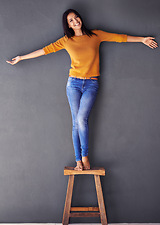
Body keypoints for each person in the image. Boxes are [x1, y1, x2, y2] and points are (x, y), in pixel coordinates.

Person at [6, 9, 158, 171]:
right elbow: (44, 51)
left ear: (80, 18)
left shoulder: (95, 35)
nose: (75, 21)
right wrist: (21, 58)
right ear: (68, 25)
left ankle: (84, 156)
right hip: (73, 84)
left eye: (76, 17)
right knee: (75, 123)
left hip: (91, 84)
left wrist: (142, 39)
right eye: (71, 20)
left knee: (81, 120)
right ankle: (79, 161)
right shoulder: (66, 41)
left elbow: (119, 38)